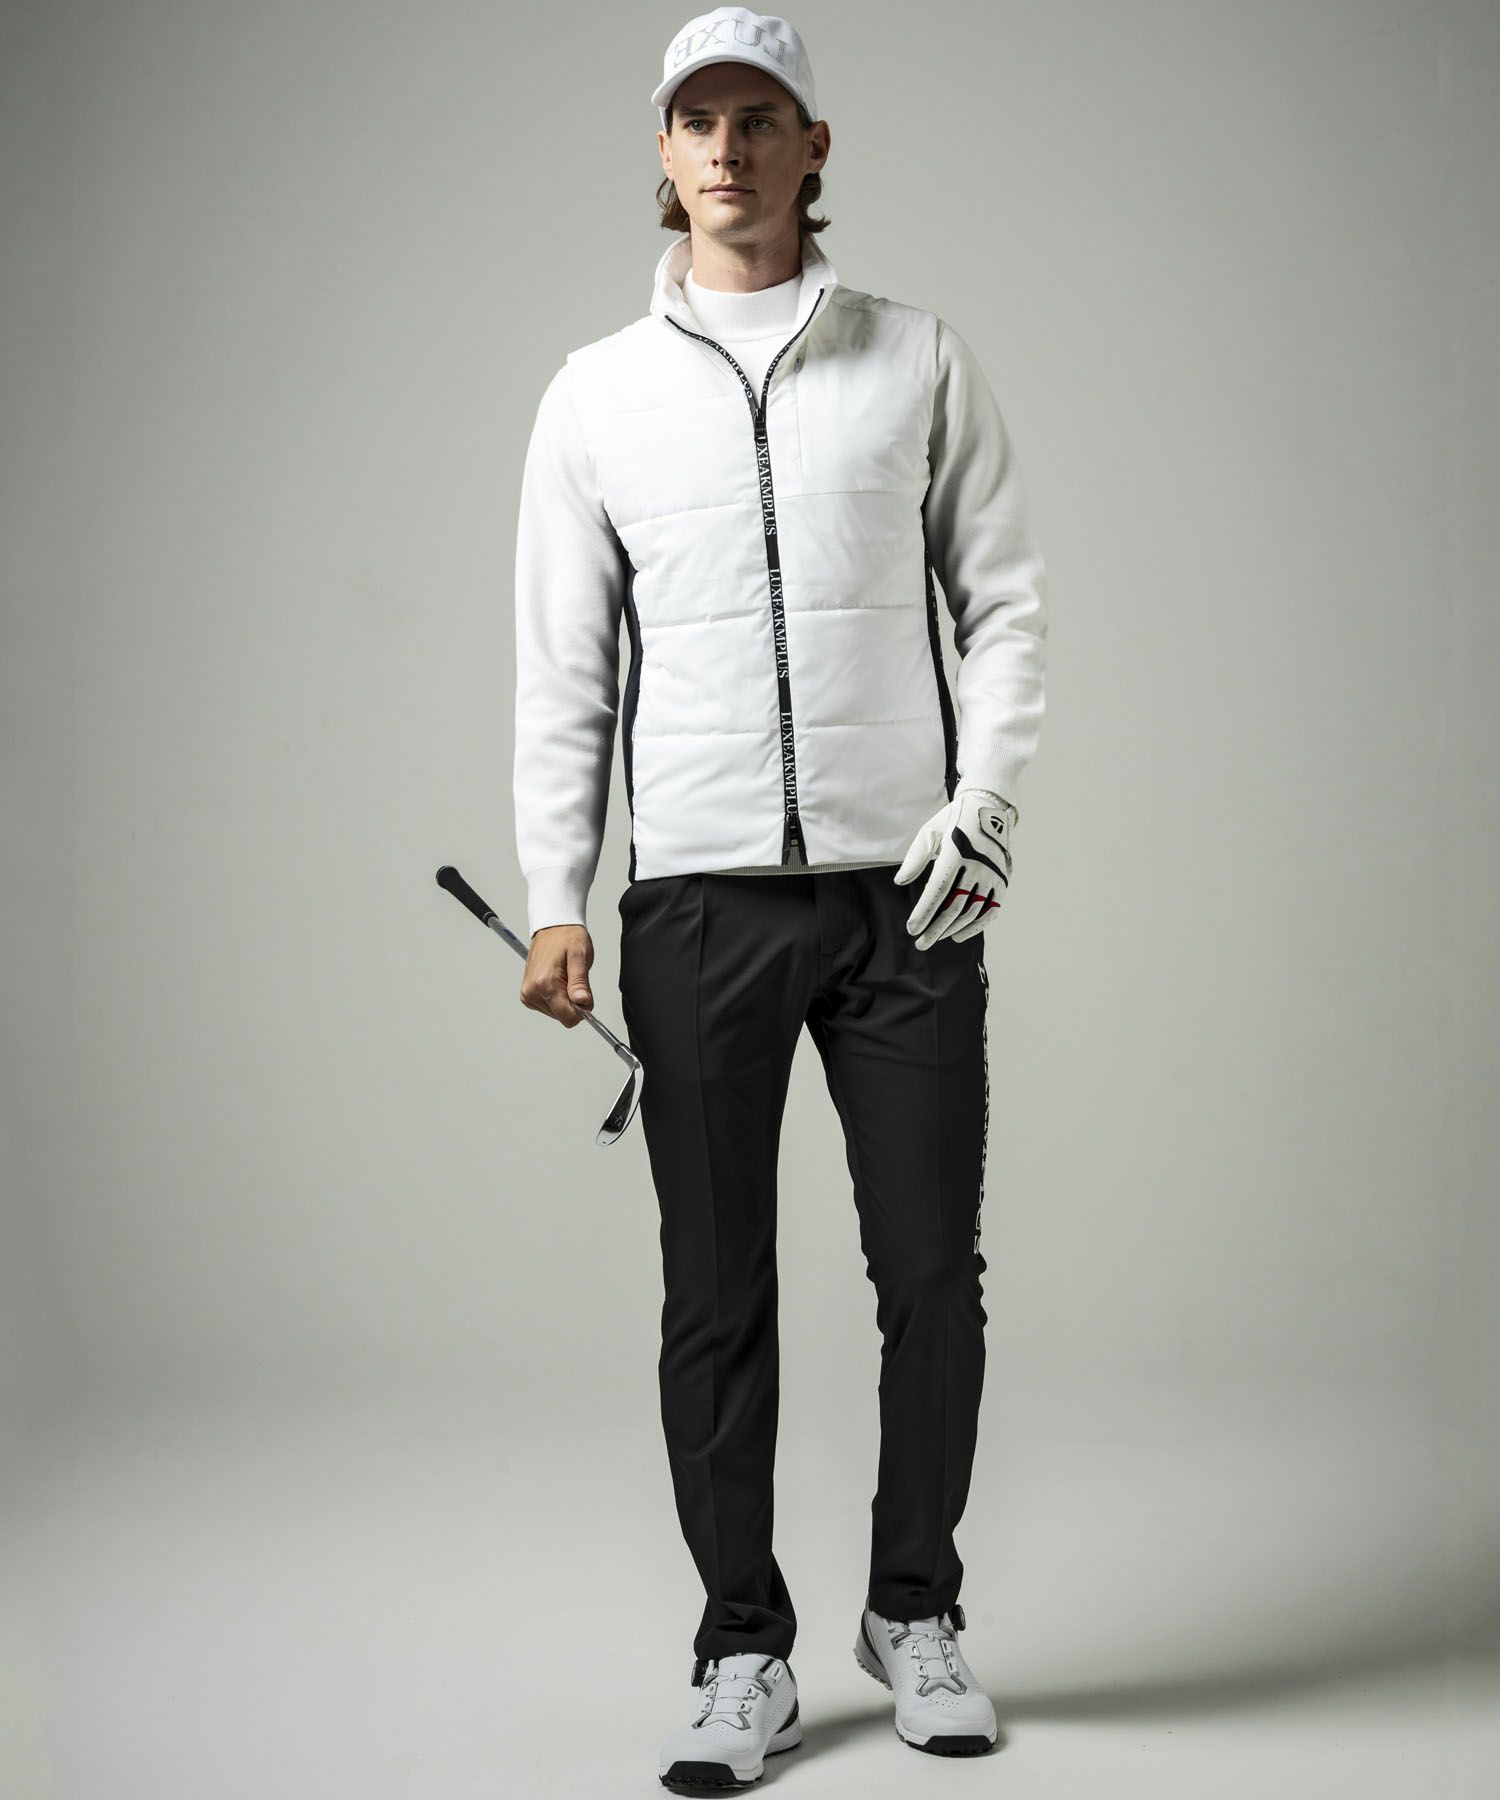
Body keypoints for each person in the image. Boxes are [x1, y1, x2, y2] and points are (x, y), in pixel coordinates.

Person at [512, 8, 1047, 1787]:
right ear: (663, 155)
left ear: (817, 146)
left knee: (934, 1276)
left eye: (759, 118)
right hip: (697, 907)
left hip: (907, 900)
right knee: (716, 1292)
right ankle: (742, 1645)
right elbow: (565, 671)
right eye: (697, 122)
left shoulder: (918, 359)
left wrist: (983, 804)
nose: (728, 148)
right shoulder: (596, 394)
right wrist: (558, 894)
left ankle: (916, 1611)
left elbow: (1005, 602)